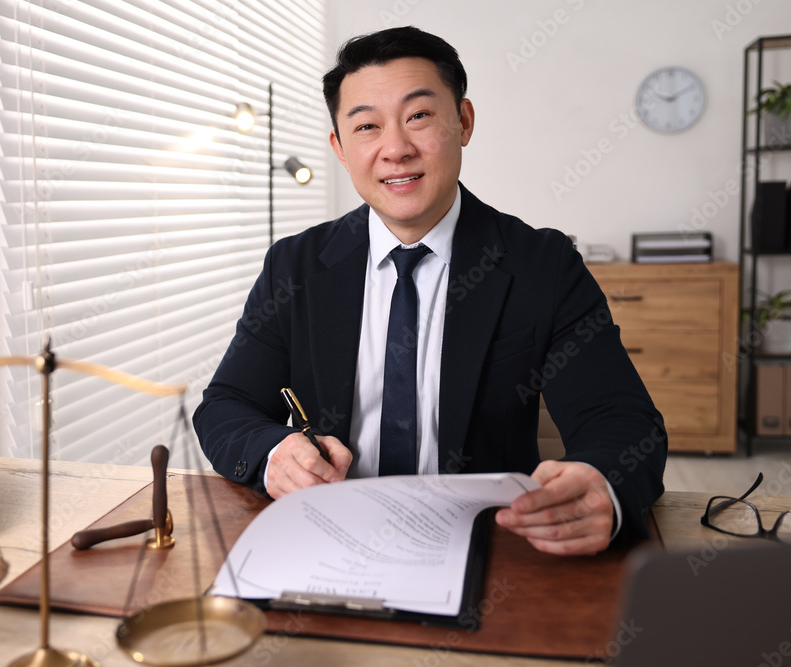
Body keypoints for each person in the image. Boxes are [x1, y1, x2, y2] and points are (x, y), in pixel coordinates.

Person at [194, 26, 666, 556]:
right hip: (330, 539)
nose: (395, 149)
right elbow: (226, 405)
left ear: (463, 122)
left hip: (489, 544)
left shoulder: (542, 265)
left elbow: (621, 420)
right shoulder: (295, 267)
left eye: (418, 116)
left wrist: (603, 485)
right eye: (367, 126)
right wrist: (272, 452)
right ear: (341, 149)